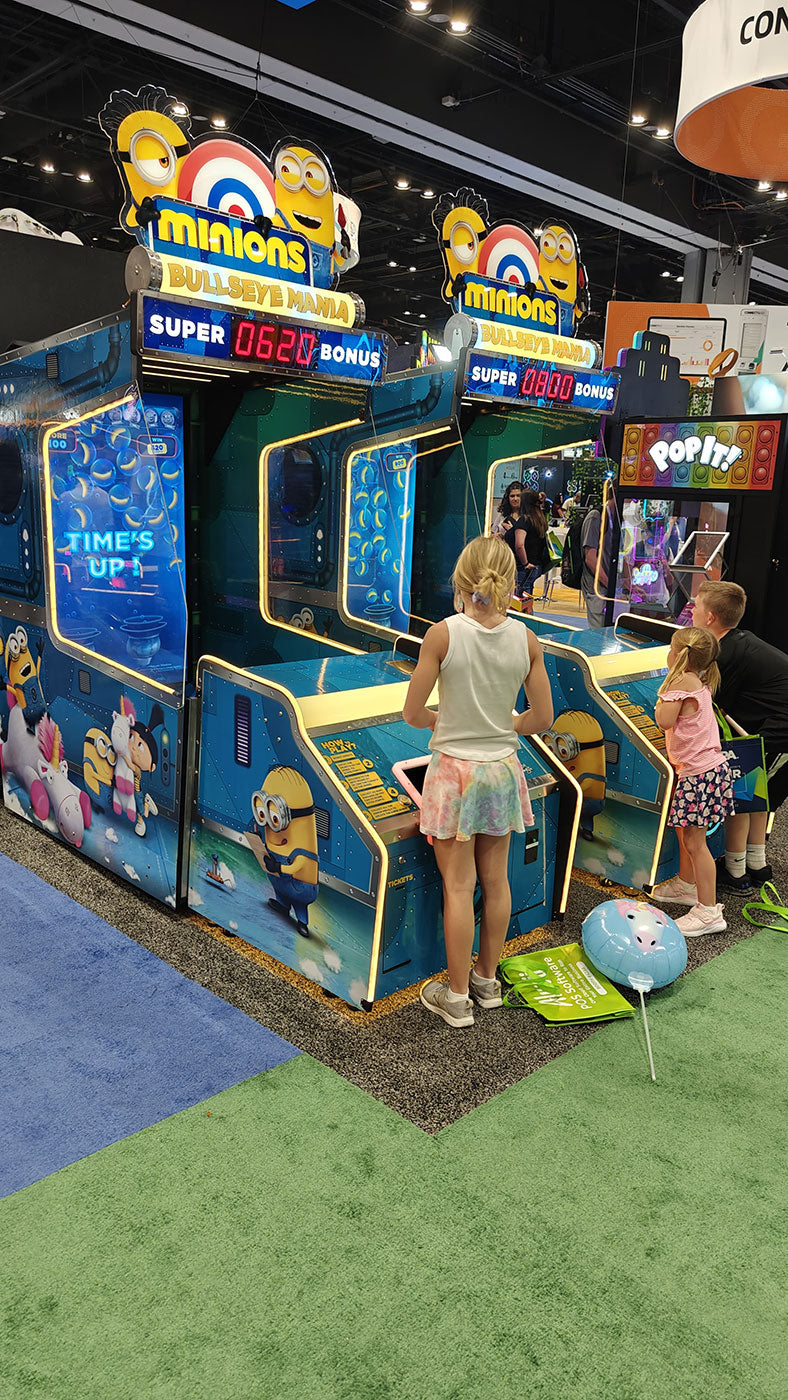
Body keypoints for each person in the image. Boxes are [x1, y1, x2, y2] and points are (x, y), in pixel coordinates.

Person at [402, 534, 554, 1028]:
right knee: (496, 880)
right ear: (509, 581)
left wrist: (443, 721)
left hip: (455, 775)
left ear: (460, 580)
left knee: (459, 887)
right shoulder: (526, 639)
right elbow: (542, 718)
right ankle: (487, 981)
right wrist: (507, 723)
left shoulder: (442, 635)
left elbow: (411, 713)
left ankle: (457, 997)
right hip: (502, 772)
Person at [692, 580, 788, 892]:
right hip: (774, 729)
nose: (691, 611)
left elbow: (710, 706)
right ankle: (756, 865)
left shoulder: (725, 653)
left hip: (778, 731)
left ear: (710, 618)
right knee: (758, 795)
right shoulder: (741, 642)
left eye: (696, 606)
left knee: (742, 795)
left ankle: (735, 872)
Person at [652, 627, 735, 934]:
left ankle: (708, 911)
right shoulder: (700, 679)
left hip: (698, 774)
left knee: (695, 843)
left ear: (678, 655)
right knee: (687, 833)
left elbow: (664, 720)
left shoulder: (679, 682)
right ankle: (687, 886)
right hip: (708, 770)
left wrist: (661, 697)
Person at [580, 489, 614, 629]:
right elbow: (590, 558)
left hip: (607, 586)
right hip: (597, 586)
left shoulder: (614, 518)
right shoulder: (596, 517)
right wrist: (608, 583)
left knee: (607, 629)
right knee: (598, 630)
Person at [505, 488, 547, 599]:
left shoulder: (524, 520)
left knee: (519, 599)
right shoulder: (539, 520)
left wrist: (525, 564)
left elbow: (519, 545)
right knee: (527, 597)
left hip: (524, 568)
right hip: (536, 565)